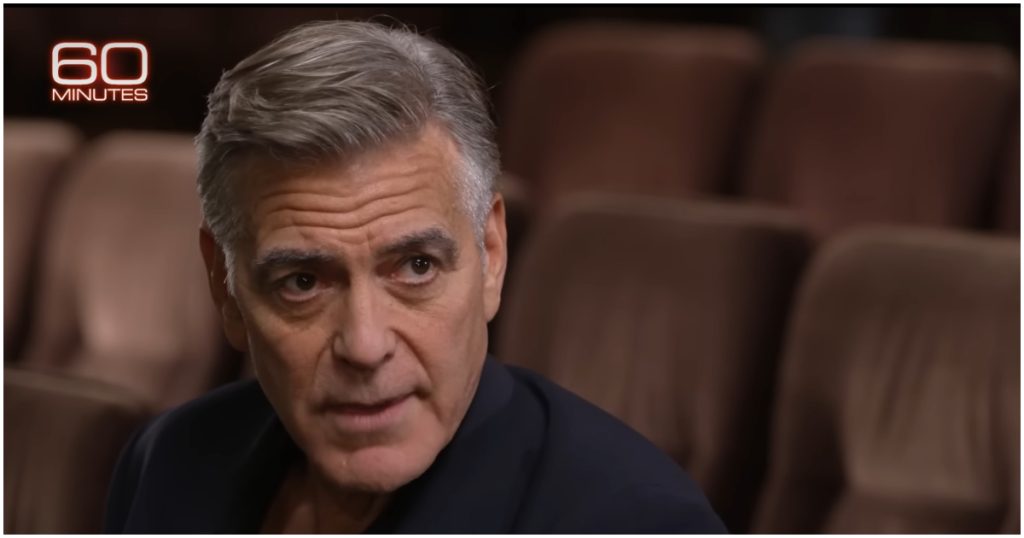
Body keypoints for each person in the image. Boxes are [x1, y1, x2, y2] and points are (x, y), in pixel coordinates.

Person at [104, 20, 726, 533]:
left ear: (491, 254)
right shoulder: (169, 460)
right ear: (226, 287)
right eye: (303, 282)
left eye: (416, 267)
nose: (365, 345)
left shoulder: (638, 521)